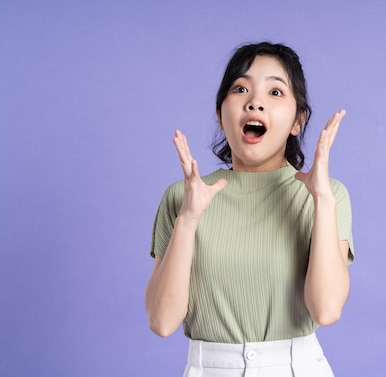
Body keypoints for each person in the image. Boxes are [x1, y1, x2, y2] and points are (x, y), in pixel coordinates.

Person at [145, 41, 354, 377]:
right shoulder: (182, 197)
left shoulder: (327, 196)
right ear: (220, 113)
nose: (255, 102)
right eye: (241, 88)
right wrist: (188, 218)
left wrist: (322, 200)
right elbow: (162, 321)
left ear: (298, 121)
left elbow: (326, 310)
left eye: (275, 92)